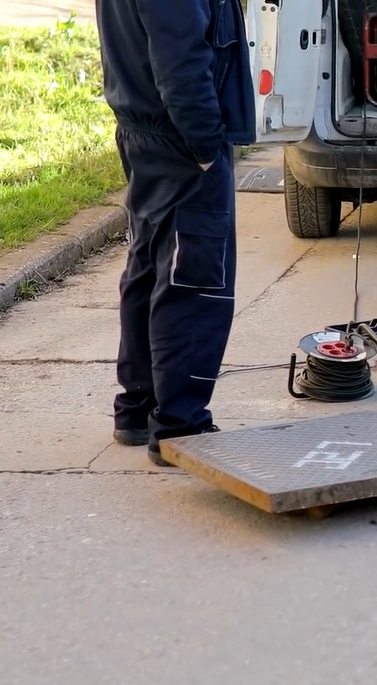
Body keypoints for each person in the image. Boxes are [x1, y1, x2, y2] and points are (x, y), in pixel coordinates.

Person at [95, 0, 256, 465]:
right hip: (183, 143)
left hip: (146, 133)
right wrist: (206, 147)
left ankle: (138, 408)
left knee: (149, 268)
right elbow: (181, 62)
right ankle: (179, 426)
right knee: (193, 283)